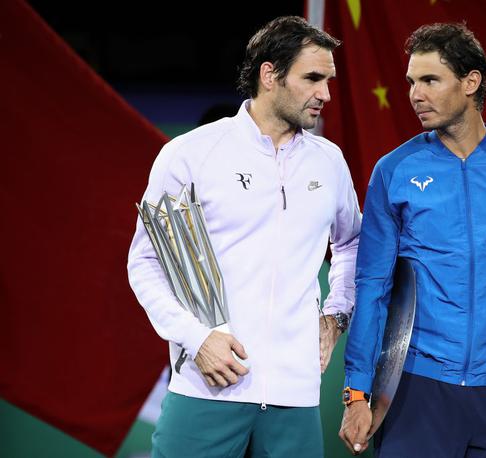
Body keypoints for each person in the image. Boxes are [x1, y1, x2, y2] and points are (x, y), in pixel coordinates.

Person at [339, 22, 486, 457]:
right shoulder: (393, 171)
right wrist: (356, 393)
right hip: (417, 396)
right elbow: (372, 288)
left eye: (430, 80)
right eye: (412, 81)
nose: (416, 94)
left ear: (471, 82)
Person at [128, 16, 361, 458]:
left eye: (328, 80)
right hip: (208, 386)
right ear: (269, 74)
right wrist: (196, 340)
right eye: (312, 78)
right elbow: (145, 262)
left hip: (296, 394)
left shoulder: (329, 162)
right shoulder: (190, 153)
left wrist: (336, 317)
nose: (325, 94)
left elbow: (351, 244)